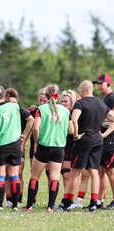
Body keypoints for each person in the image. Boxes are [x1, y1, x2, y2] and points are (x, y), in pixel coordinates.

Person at [58, 80, 114, 212]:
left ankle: (68, 202)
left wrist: (76, 135)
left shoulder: (80, 103)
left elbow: (74, 120)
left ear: (82, 90)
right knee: (94, 172)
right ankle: (94, 203)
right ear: (92, 90)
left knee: (75, 172)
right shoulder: (101, 103)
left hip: (84, 140)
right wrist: (104, 135)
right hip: (98, 140)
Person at [23, 84, 72, 213]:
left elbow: (35, 127)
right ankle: (50, 207)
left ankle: (29, 206)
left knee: (35, 176)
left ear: (46, 95)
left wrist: (37, 141)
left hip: (44, 146)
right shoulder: (65, 111)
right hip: (59, 148)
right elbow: (71, 129)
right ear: (58, 95)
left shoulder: (41, 109)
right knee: (55, 177)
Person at [0, 84, 33, 211]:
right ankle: (15, 205)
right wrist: (23, 135)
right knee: (14, 175)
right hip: (15, 145)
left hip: (0, 146)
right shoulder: (15, 106)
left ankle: (0, 205)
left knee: (0, 176)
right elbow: (31, 120)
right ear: (4, 95)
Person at [4, 88, 33, 207]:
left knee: (18, 173)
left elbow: (31, 120)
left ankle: (19, 199)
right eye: (10, 103)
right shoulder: (3, 111)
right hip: (4, 145)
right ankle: (9, 199)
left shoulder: (20, 111)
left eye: (14, 103)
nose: (12, 105)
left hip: (17, 146)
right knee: (6, 174)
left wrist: (24, 137)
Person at [94, 74, 114, 209]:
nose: (99, 86)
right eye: (98, 83)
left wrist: (103, 133)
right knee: (102, 170)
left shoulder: (112, 98)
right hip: (104, 139)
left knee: (110, 171)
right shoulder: (105, 98)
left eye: (101, 83)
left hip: (110, 139)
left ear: (109, 84)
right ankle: (99, 201)